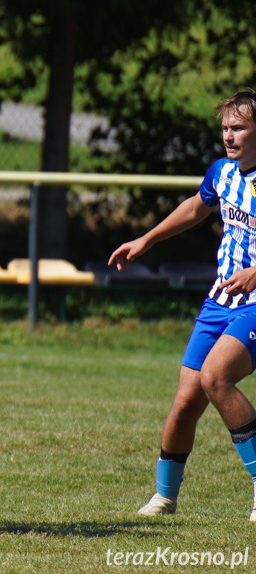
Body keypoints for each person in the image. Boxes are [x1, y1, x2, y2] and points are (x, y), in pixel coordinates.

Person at [109, 88, 256, 520]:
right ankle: (164, 497)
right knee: (185, 403)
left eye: (240, 128)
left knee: (216, 377)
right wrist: (145, 240)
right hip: (220, 301)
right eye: (226, 128)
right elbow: (196, 208)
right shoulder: (222, 173)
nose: (230, 136)